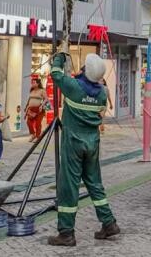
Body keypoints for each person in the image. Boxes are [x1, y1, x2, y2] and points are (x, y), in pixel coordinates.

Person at [48, 53, 119, 247]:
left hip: (73, 143)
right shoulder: (103, 92)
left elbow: (55, 74)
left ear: (86, 70)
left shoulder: (74, 87)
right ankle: (109, 222)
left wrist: (59, 58)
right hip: (92, 143)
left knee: (68, 186)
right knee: (95, 183)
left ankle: (66, 233)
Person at [25, 78, 47, 142]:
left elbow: (46, 99)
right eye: (32, 82)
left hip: (39, 109)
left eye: (34, 82)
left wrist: (41, 106)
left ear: (38, 83)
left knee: (38, 123)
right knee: (28, 122)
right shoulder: (31, 91)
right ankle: (33, 135)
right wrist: (27, 108)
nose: (32, 83)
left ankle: (38, 136)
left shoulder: (42, 90)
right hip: (31, 109)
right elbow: (29, 100)